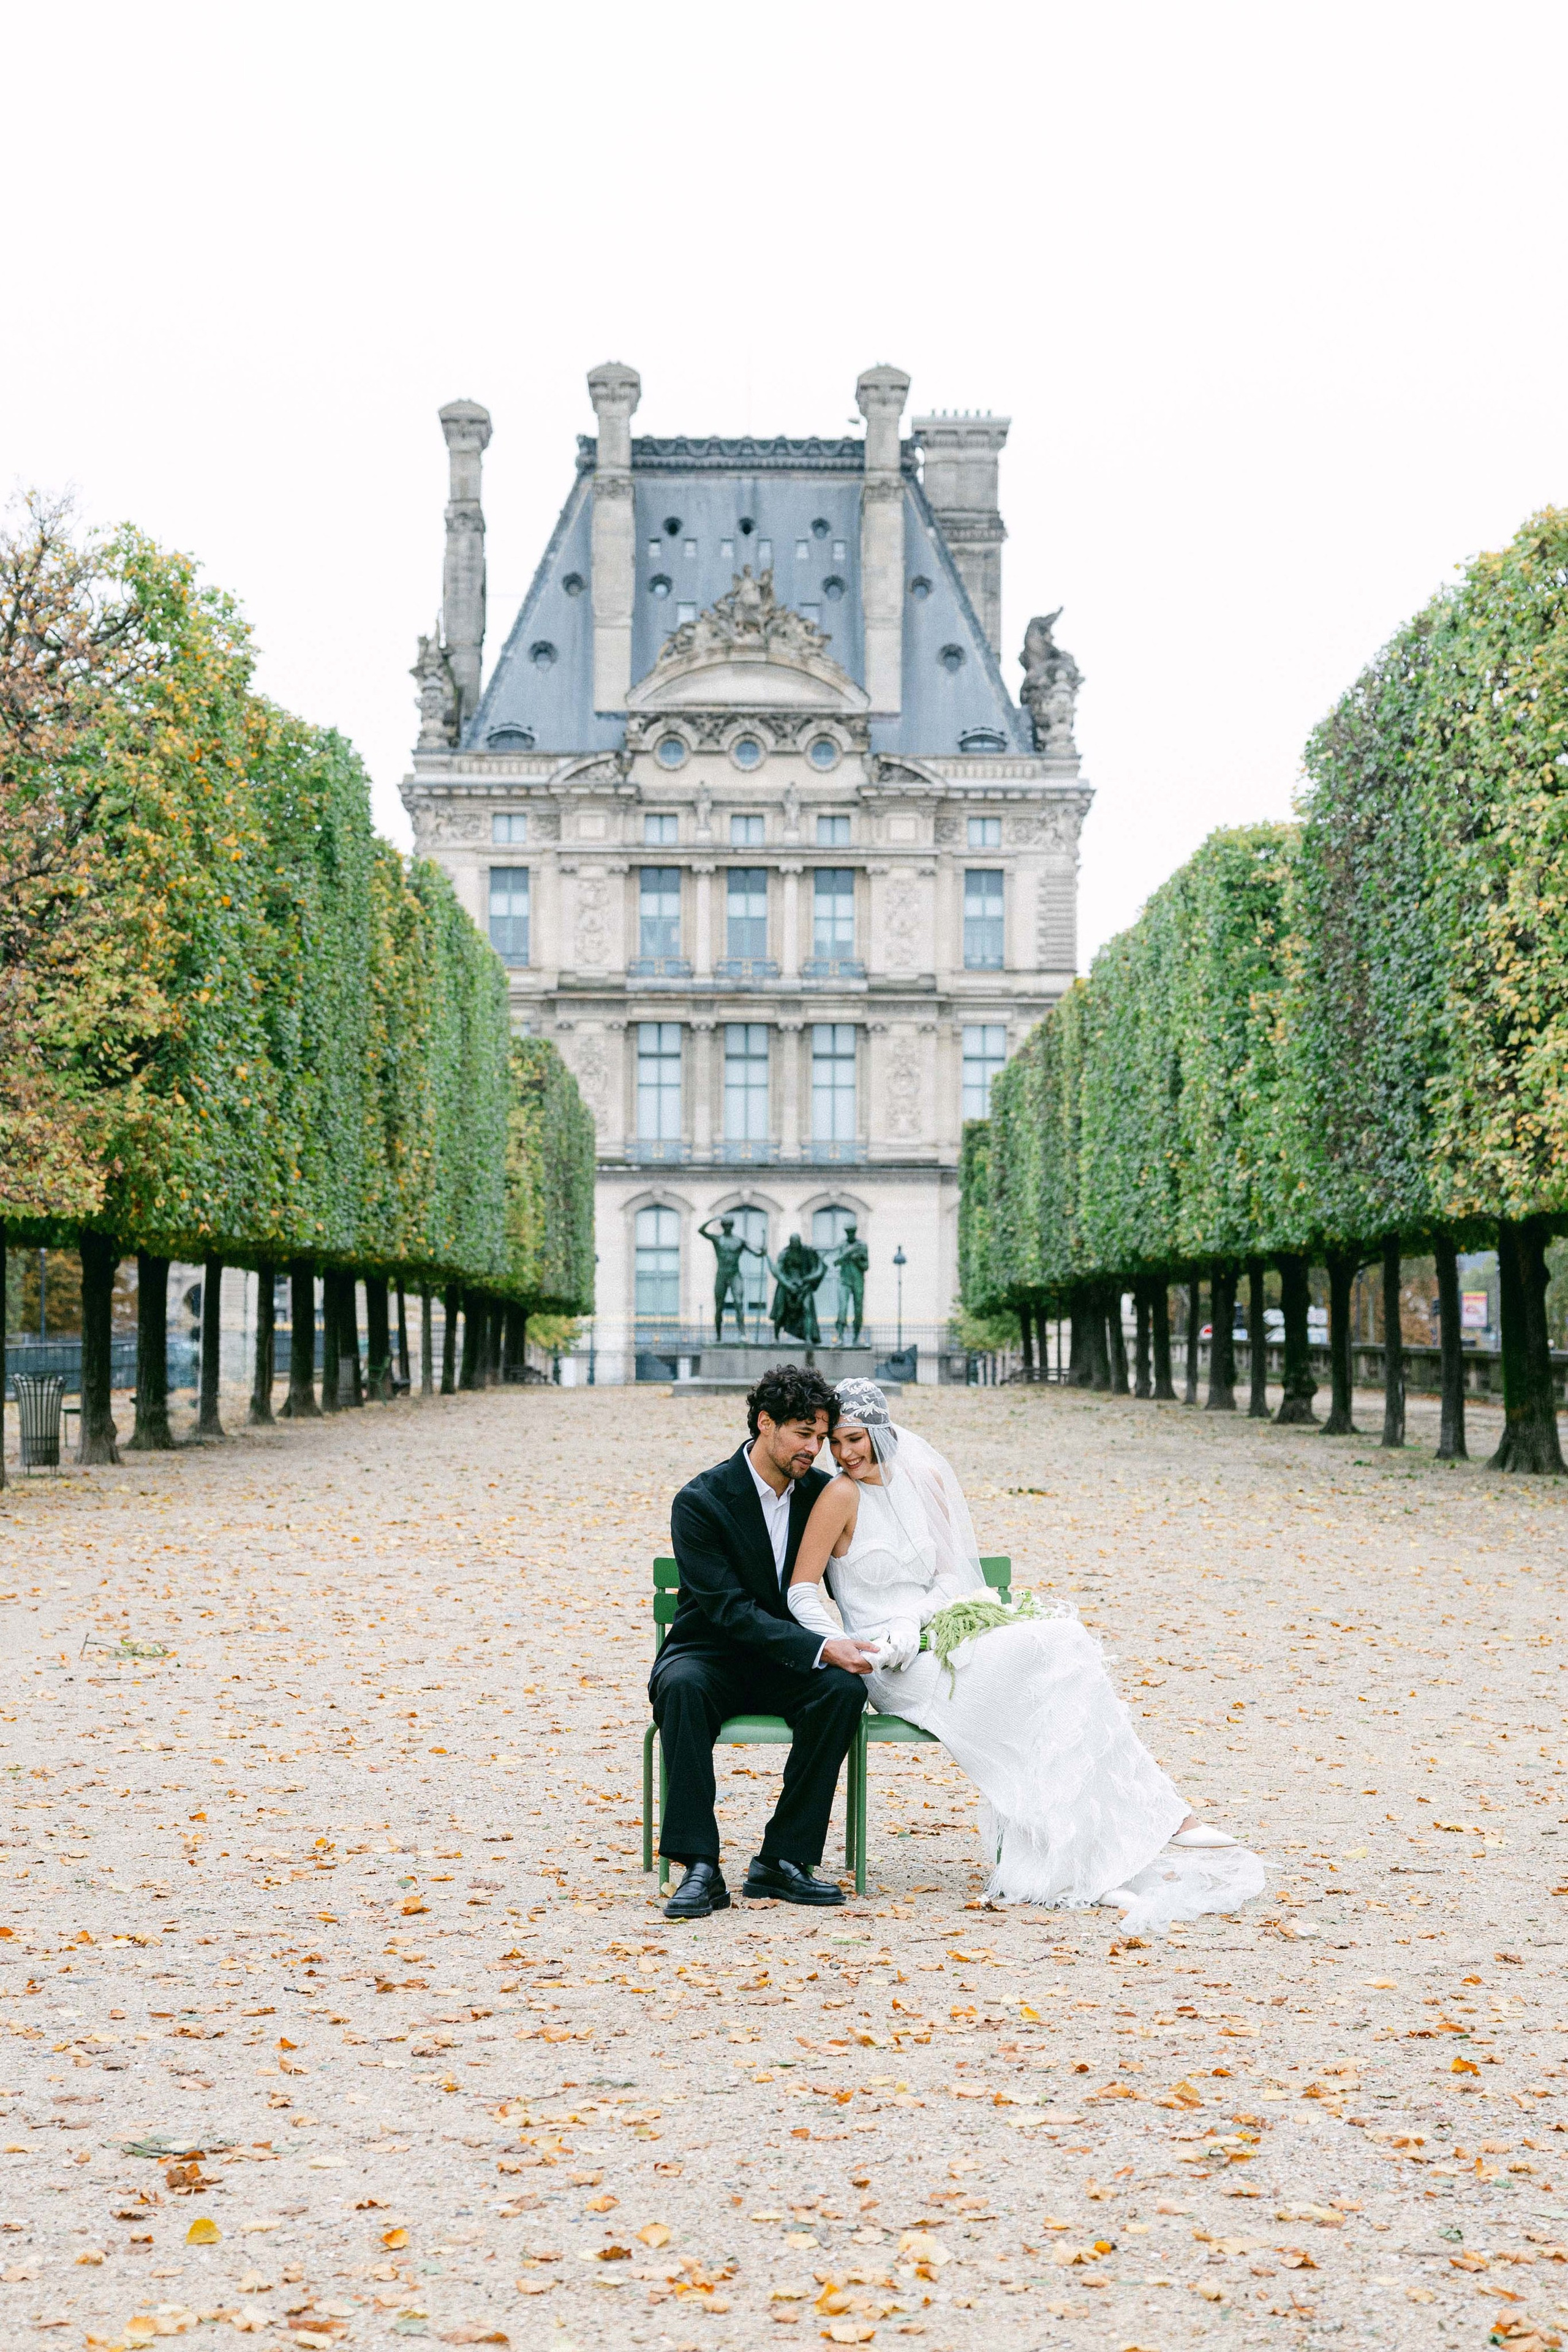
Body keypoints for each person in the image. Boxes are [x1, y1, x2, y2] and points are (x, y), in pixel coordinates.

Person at [785, 1378, 1267, 1933]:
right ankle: (1124, 1838)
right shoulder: (841, 1495)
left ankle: (1108, 1840)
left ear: (881, 1431)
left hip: (930, 1635)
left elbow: (946, 1582)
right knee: (1039, 1679)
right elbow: (801, 1591)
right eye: (836, 1444)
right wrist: (845, 1646)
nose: (845, 1455)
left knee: (1063, 1645)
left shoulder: (926, 1481)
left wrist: (912, 1623)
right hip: (887, 1664)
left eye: (855, 1440)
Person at [651, 1364, 876, 1921]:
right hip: (710, 1654)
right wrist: (823, 1648)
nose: (816, 1449)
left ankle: (783, 1860)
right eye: (804, 1434)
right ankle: (700, 1867)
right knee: (680, 1687)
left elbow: (868, 1571)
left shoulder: (823, 1494)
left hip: (787, 1663)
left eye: (823, 1437)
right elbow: (727, 1610)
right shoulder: (701, 1500)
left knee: (844, 1692)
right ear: (764, 1423)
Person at [698, 1215, 764, 1342]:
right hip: (722, 1275)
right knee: (719, 1307)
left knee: (738, 1303)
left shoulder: (739, 1241)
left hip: (735, 1275)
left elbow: (757, 1253)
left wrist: (762, 1251)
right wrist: (712, 1219)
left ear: (732, 1226)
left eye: (729, 1225)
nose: (727, 1227)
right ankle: (718, 1335)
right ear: (722, 1226)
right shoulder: (717, 1239)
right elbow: (701, 1231)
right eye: (725, 1225)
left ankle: (742, 1334)